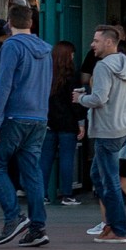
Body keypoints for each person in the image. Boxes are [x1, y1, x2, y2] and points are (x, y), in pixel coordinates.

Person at [0, 5, 55, 248]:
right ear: (31, 22)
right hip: (38, 117)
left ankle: (14, 217)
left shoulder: (12, 46)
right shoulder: (45, 50)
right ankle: (38, 226)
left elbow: (4, 85)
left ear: (10, 23)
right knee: (32, 171)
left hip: (13, 116)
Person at [82, 24, 126, 243]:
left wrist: (82, 99)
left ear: (109, 42)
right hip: (125, 128)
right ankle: (112, 224)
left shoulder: (103, 67)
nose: (92, 44)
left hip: (107, 130)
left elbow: (99, 98)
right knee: (99, 175)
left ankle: (117, 228)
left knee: (109, 179)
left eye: (96, 40)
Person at [44, 41, 85, 207]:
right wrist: (81, 123)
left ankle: (42, 195)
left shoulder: (46, 74)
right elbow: (76, 102)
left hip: (48, 121)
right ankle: (67, 194)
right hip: (68, 122)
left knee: (45, 159)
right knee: (67, 158)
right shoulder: (72, 76)